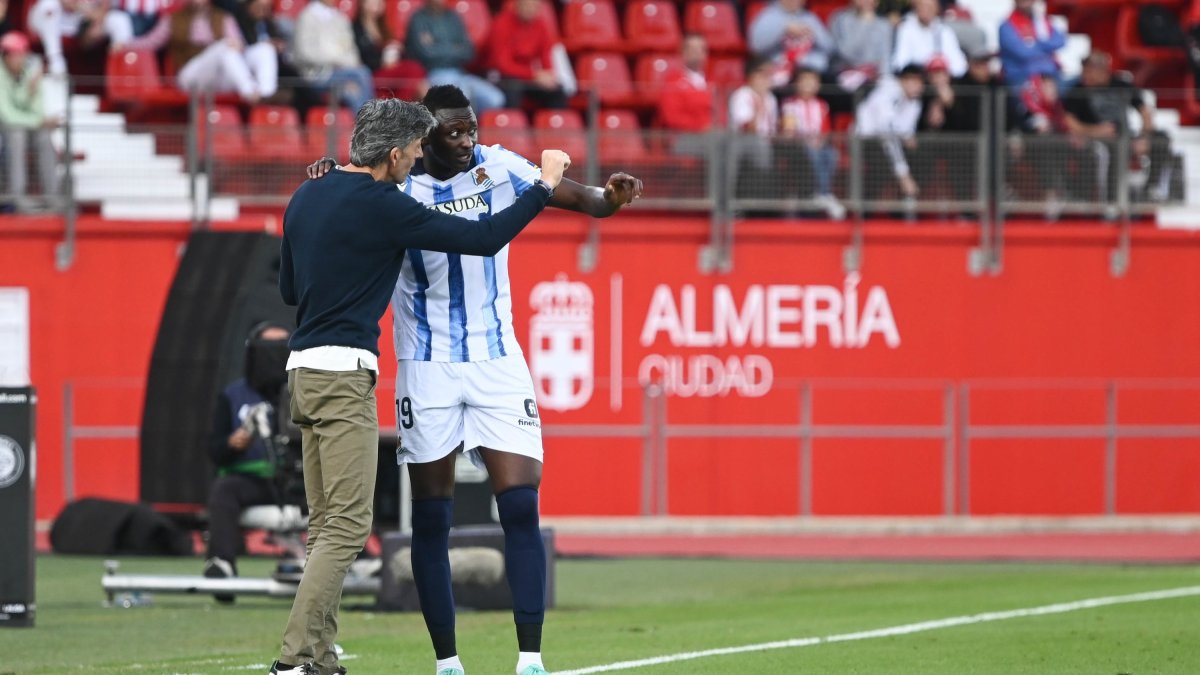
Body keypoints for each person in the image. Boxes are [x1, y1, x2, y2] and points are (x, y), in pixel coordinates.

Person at [306, 84, 642, 675]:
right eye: (453, 132)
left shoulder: (499, 166)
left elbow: (586, 199)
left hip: (497, 360)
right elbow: (343, 196)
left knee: (520, 506)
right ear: (422, 137)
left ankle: (531, 659)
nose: (466, 141)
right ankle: (448, 663)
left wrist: (611, 197)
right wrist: (324, 177)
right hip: (426, 365)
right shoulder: (394, 187)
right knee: (432, 518)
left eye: (471, 129)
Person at [269, 97, 569, 675]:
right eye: (410, 150)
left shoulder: (307, 193)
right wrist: (544, 187)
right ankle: (293, 661)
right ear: (391, 153)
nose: (414, 160)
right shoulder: (385, 204)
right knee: (348, 527)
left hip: (300, 371)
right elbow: (484, 238)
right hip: (344, 373)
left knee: (324, 526)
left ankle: (322, 658)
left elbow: (288, 288)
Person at [203, 322, 294, 604]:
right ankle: (222, 565)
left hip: (298, 481)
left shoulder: (304, 392)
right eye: (268, 350)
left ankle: (362, 559)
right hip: (255, 483)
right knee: (224, 489)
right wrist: (233, 444)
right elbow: (215, 450)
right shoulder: (233, 396)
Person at [1063, 52, 1174, 207]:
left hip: (1125, 136)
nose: (1086, 75)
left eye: (1090, 70)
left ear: (1103, 70)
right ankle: (1112, 200)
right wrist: (1095, 131)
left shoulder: (1121, 85)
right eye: (1085, 70)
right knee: (1112, 151)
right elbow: (1069, 121)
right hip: (1095, 139)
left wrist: (1144, 137)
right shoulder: (1077, 91)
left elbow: (1145, 111)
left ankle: (1152, 189)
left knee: (1161, 140)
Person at [117, 0, 276, 105]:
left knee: (264, 49)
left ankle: (266, 94)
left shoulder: (223, 17)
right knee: (223, 47)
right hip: (190, 76)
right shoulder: (173, 18)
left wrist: (238, 44)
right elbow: (151, 42)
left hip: (220, 78)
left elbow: (238, 45)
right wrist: (126, 44)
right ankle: (250, 92)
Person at [405, 0, 505, 112]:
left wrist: (437, 45)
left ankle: (472, 121)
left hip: (460, 73)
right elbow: (426, 54)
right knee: (462, 97)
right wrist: (454, 48)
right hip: (433, 73)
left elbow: (468, 51)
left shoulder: (453, 17)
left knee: (495, 99)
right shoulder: (418, 18)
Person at [0, 31, 60, 213]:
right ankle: (17, 197)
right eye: (16, 55)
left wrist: (30, 90)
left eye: (23, 54)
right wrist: (38, 121)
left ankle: (52, 197)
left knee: (44, 137)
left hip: (25, 125)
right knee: (16, 136)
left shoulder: (31, 73)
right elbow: (7, 115)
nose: (21, 59)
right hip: (5, 129)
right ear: (6, 56)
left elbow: (37, 110)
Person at [855, 65, 926, 205]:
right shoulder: (887, 92)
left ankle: (906, 203)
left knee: (921, 154)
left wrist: (908, 138)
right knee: (882, 165)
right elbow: (886, 132)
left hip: (891, 141)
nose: (918, 86)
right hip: (865, 140)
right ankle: (864, 209)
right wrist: (903, 174)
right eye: (913, 81)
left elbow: (906, 132)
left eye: (920, 82)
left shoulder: (915, 103)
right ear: (902, 80)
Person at [780, 67, 844, 218]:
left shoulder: (822, 105)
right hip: (797, 146)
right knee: (812, 152)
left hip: (818, 143)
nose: (808, 84)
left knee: (832, 154)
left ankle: (823, 194)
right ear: (797, 84)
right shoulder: (789, 104)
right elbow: (789, 130)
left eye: (812, 81)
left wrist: (820, 141)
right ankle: (820, 194)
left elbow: (825, 130)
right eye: (805, 80)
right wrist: (806, 141)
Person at [293, 0, 374, 112]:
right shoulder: (307, 17)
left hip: (343, 73)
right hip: (317, 75)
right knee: (361, 73)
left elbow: (350, 49)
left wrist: (348, 63)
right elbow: (305, 53)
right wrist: (338, 61)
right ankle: (374, 119)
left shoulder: (340, 18)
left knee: (352, 91)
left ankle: (369, 121)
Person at [488, 0, 567, 110]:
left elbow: (545, 54)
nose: (529, 9)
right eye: (526, 5)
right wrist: (534, 75)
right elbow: (503, 65)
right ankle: (511, 120)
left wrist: (548, 75)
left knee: (556, 90)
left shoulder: (541, 25)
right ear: (517, 6)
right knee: (513, 88)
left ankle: (553, 120)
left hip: (526, 76)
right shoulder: (501, 24)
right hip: (500, 76)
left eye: (534, 6)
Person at [26, 0, 135, 75]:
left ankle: (122, 71)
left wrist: (97, 22)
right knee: (49, 6)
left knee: (120, 20)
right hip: (46, 18)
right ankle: (56, 64)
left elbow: (104, 7)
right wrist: (86, 10)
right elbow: (67, 3)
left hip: (77, 20)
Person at [352, 0, 428, 100]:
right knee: (414, 70)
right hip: (373, 72)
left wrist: (398, 48)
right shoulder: (356, 28)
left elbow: (402, 53)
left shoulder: (383, 27)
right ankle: (402, 105)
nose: (377, 4)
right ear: (362, 3)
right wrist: (383, 59)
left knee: (418, 77)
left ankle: (399, 105)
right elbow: (362, 55)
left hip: (391, 70)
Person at [748, 0, 834, 85]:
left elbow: (830, 48)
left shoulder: (809, 18)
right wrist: (783, 30)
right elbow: (756, 46)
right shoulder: (768, 16)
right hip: (778, 69)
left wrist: (813, 33)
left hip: (808, 70)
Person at [728, 57, 778, 200]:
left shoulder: (771, 98)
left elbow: (773, 128)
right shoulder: (742, 95)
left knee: (795, 147)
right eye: (763, 74)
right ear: (751, 75)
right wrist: (759, 105)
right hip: (742, 142)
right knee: (760, 144)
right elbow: (748, 128)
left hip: (767, 140)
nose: (767, 79)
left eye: (769, 74)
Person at [658, 34, 715, 156]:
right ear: (683, 52)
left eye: (701, 49)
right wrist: (701, 128)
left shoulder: (712, 82)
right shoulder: (672, 81)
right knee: (718, 145)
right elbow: (672, 117)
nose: (698, 53)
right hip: (683, 138)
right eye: (693, 49)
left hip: (712, 137)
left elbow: (721, 112)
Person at [998, 0, 1064, 93]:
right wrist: (1046, 47)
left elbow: (1060, 41)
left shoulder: (1042, 21)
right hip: (1022, 78)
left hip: (1050, 76)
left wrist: (1035, 43)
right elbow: (1022, 52)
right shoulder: (1007, 25)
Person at [892, 0, 966, 78]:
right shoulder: (906, 29)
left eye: (929, 7)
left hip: (940, 77)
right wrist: (926, 66)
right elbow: (900, 61)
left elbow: (959, 65)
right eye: (922, 6)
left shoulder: (944, 31)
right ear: (916, 8)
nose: (925, 10)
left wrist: (941, 68)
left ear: (937, 9)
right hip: (916, 77)